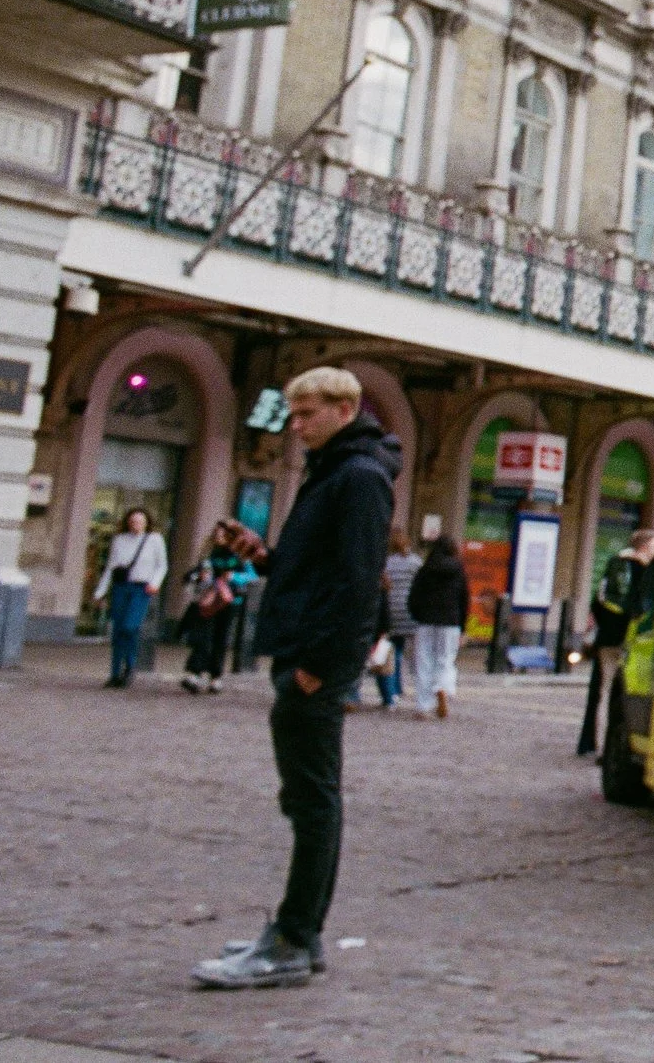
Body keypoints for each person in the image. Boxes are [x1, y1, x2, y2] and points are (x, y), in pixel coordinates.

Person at [190, 367, 397, 991]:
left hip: (314, 664)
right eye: (295, 414)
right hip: (303, 653)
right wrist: (261, 555)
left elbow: (358, 581)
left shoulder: (358, 477)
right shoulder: (334, 469)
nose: (297, 427)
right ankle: (294, 932)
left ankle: (294, 937)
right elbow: (310, 570)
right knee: (306, 798)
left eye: (307, 415)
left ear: (345, 409)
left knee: (313, 801)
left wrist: (320, 666)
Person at [578, 525, 654, 756]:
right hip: (623, 639)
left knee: (609, 690)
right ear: (643, 547)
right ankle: (609, 746)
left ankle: (606, 745)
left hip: (613, 638)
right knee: (613, 690)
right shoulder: (634, 568)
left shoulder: (616, 565)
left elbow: (599, 601)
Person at [92, 507, 168, 688]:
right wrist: (100, 591)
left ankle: (130, 665)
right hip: (121, 587)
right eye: (133, 521)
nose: (136, 525)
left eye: (140, 521)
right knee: (118, 630)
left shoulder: (154, 539)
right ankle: (115, 672)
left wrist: (155, 583)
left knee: (130, 626)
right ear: (128, 522)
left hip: (141, 588)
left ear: (147, 523)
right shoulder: (119, 540)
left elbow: (162, 565)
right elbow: (111, 567)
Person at [178, 522, 256, 694]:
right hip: (209, 600)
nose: (218, 537)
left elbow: (252, 576)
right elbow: (196, 573)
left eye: (222, 534)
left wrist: (234, 576)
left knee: (220, 638)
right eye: (216, 534)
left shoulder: (240, 555)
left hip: (230, 601)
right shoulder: (209, 553)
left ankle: (216, 676)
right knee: (204, 636)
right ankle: (195, 673)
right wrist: (200, 576)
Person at [407, 534, 468, 719]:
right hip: (450, 621)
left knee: (424, 662)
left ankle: (423, 706)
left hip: (426, 621)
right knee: (445, 659)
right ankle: (442, 687)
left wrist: (417, 615)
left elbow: (414, 595)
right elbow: (464, 598)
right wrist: (462, 626)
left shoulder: (425, 569)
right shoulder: (458, 570)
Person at [376, 529, 420, 710]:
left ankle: (391, 690)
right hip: (408, 610)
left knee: (389, 650)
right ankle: (397, 687)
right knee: (399, 650)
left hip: (389, 610)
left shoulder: (385, 562)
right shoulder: (415, 562)